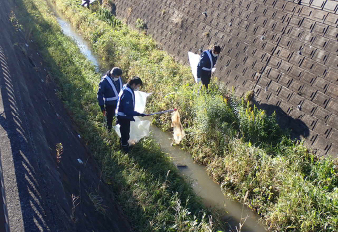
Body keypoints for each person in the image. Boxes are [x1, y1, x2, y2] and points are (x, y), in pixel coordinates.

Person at [116, 77, 147, 153]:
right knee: (125, 134)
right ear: (133, 84)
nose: (137, 88)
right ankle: (124, 149)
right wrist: (138, 114)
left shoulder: (126, 88)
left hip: (122, 115)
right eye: (137, 86)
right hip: (123, 116)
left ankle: (122, 144)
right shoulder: (127, 93)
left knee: (124, 132)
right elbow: (127, 111)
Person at [97, 67, 123, 132]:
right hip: (109, 105)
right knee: (109, 120)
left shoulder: (119, 79)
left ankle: (118, 132)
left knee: (120, 119)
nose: (117, 77)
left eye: (118, 76)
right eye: (116, 76)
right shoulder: (104, 81)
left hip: (119, 103)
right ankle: (108, 132)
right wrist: (102, 106)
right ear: (112, 74)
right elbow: (100, 94)